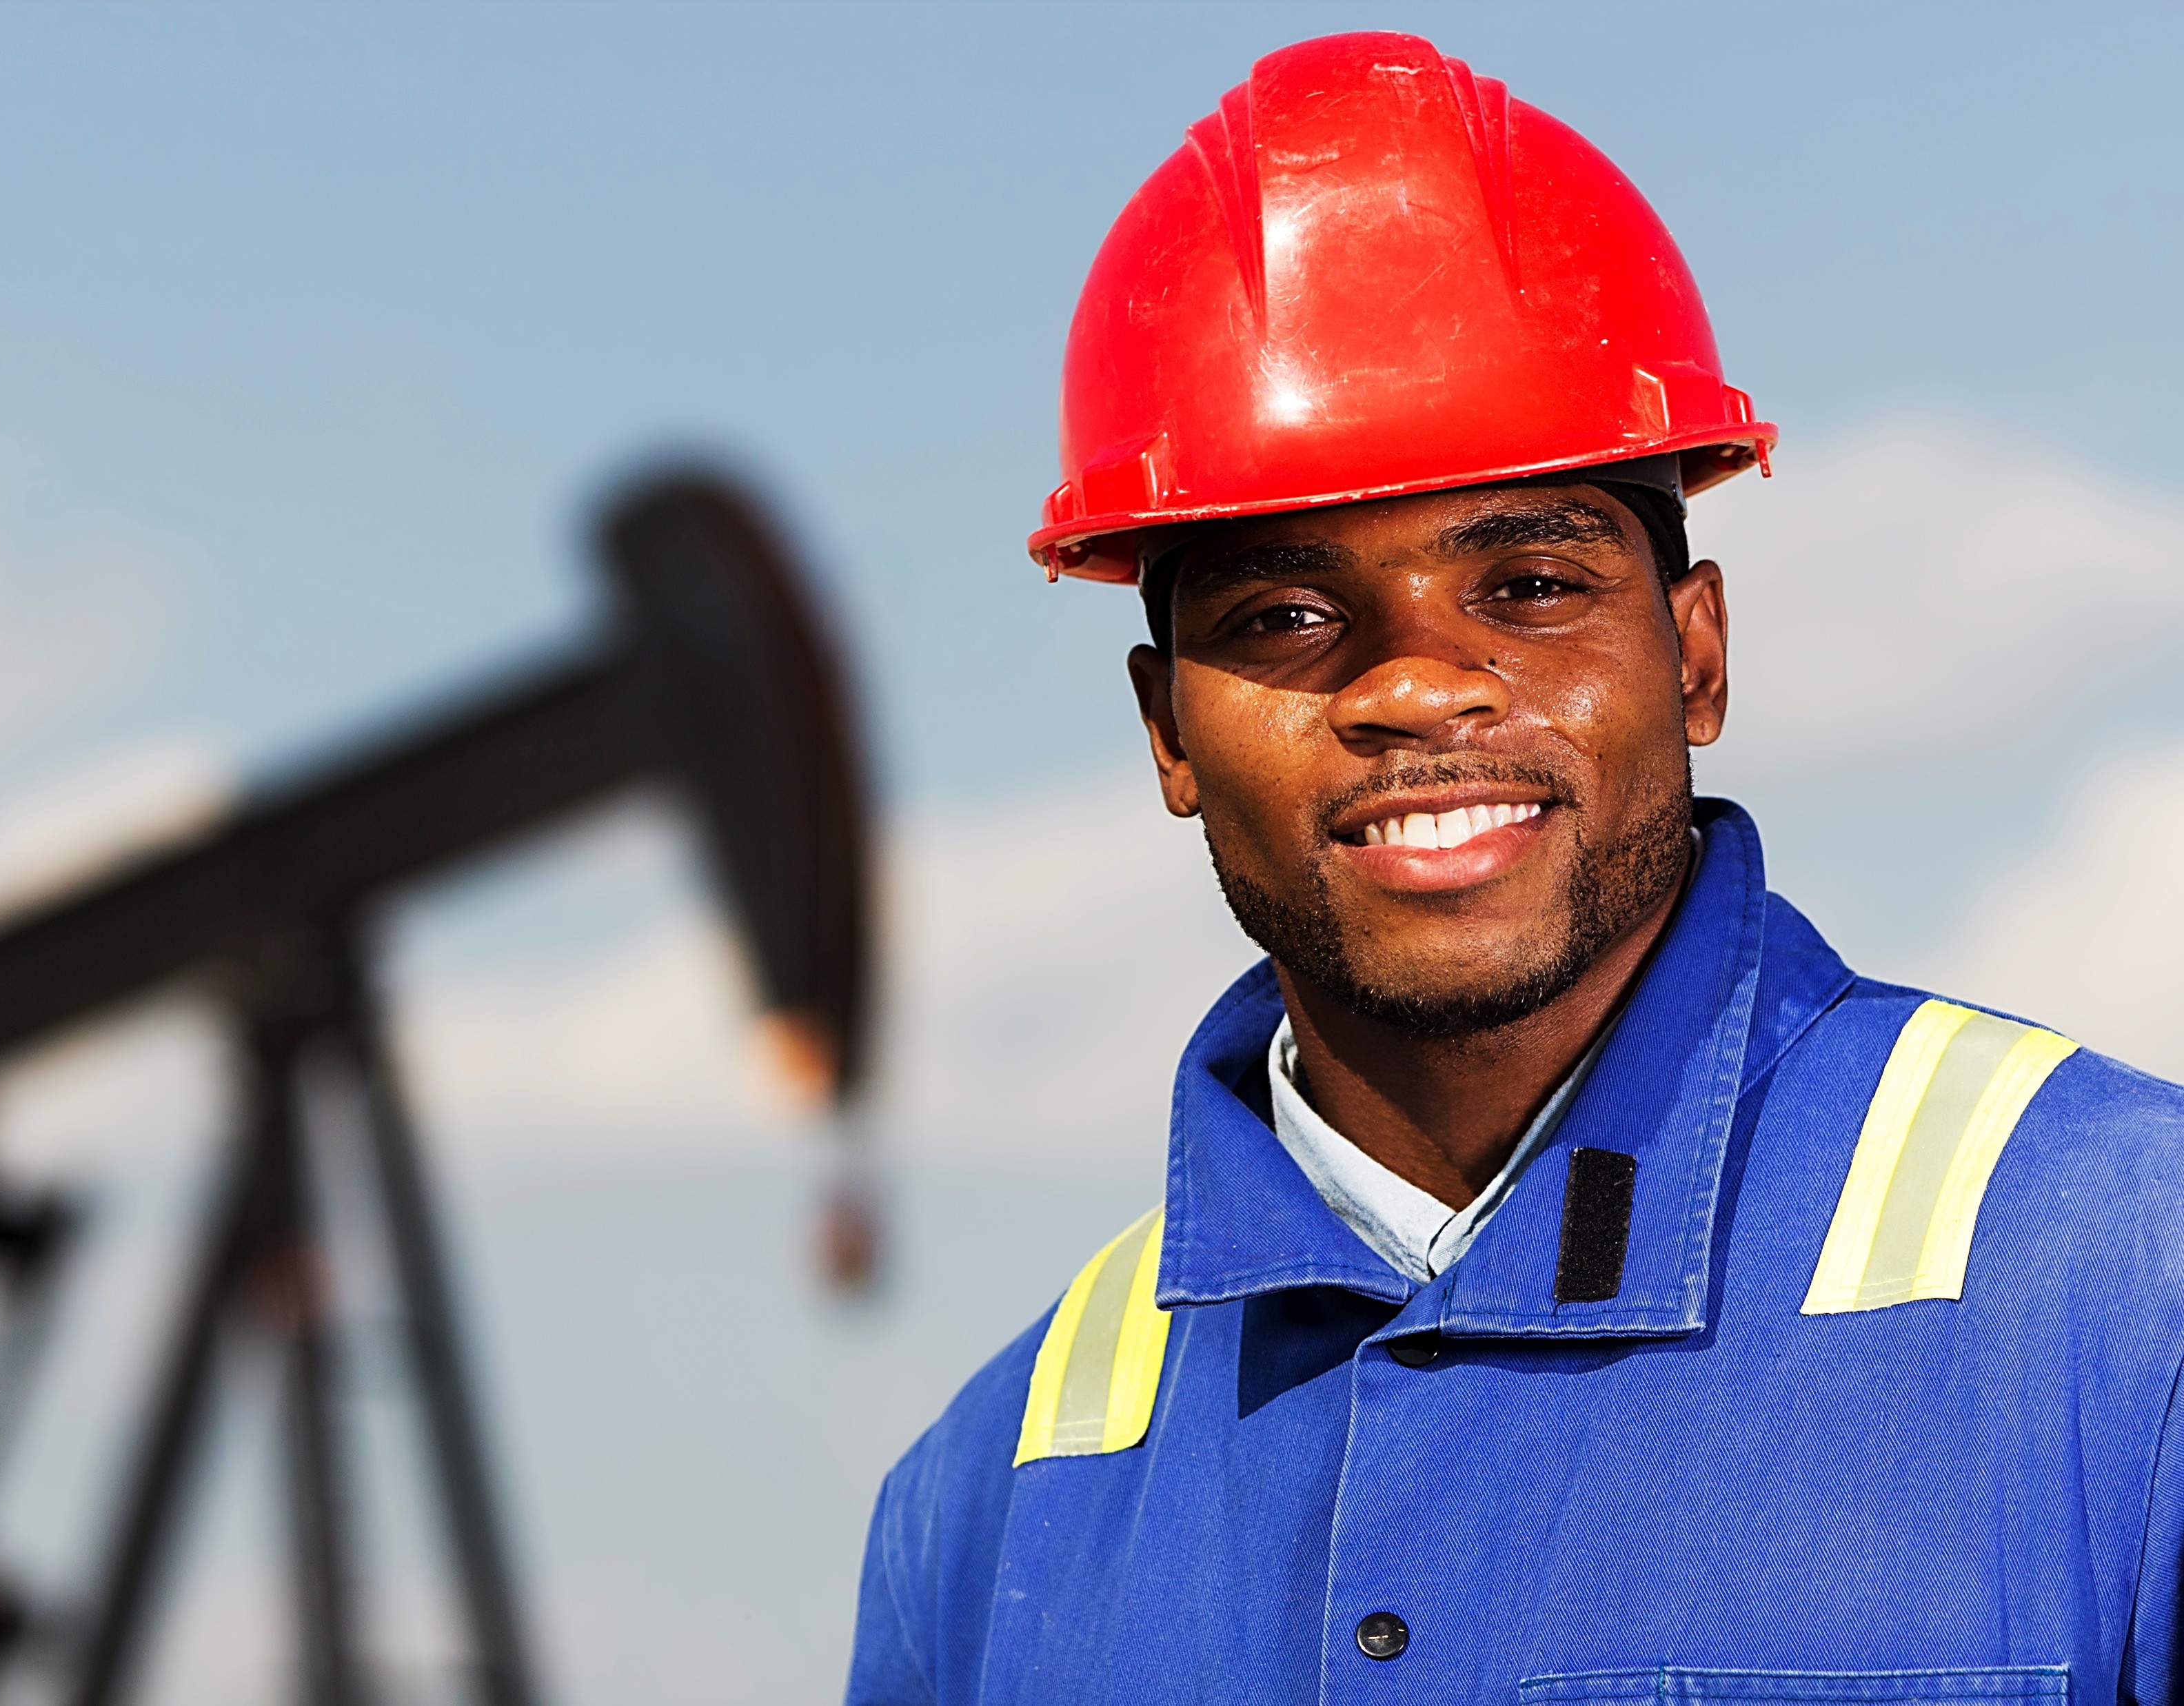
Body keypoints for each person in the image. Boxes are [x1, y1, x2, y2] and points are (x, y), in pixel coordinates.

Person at [845, 30, 2184, 1706]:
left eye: (1531, 584)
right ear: (1166, 734)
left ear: (1692, 652)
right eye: (1284, 616)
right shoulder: (988, 1510)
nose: (1413, 686)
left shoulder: (2132, 1285)